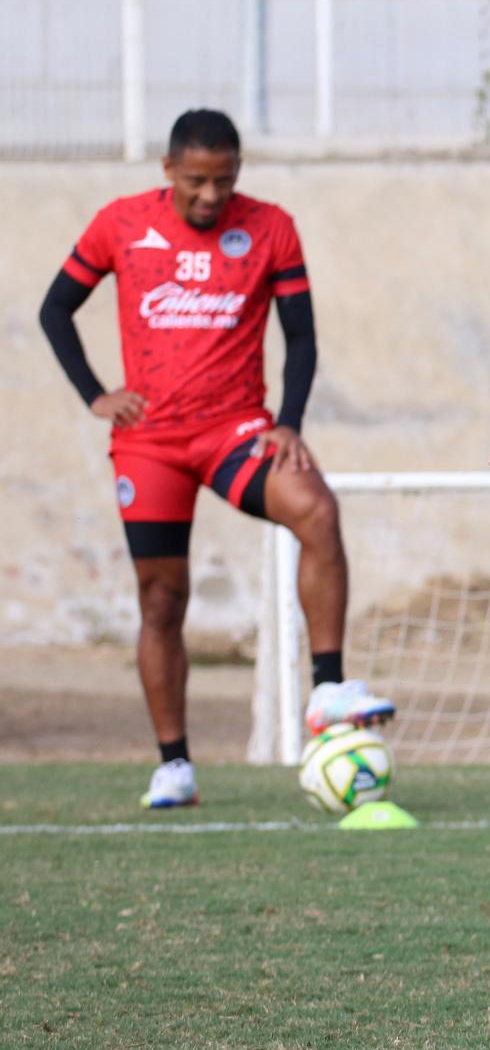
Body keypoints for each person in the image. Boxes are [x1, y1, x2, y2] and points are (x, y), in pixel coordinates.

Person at [38, 109, 392, 809]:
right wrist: (96, 395)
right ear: (168, 169)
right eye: (197, 180)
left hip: (236, 431)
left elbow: (303, 336)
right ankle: (174, 764)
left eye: (224, 180)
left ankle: (327, 690)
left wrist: (288, 422)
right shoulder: (120, 223)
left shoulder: (271, 227)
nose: (210, 195)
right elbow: (56, 309)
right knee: (162, 598)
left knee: (317, 509)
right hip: (151, 441)